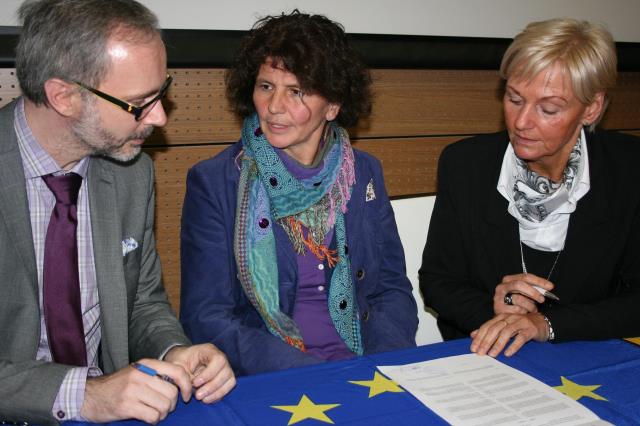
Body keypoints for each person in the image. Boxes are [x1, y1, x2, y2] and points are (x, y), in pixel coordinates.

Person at [0, 0, 235, 424]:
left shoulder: (131, 174)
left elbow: (142, 303)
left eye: (161, 94)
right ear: (64, 96)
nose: (160, 117)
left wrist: (174, 350)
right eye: (139, 103)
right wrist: (86, 396)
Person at [180, 11, 418, 376]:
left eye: (297, 92)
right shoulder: (215, 182)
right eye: (265, 87)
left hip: (366, 366)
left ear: (334, 105)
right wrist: (307, 374)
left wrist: (385, 366)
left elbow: (390, 289)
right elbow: (206, 317)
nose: (275, 107)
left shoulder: (364, 172)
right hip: (275, 377)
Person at [419, 18, 640, 358]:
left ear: (592, 108)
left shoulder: (629, 168)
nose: (522, 122)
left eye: (548, 108)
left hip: (595, 356)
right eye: (514, 98)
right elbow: (438, 280)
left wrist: (546, 325)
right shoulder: (465, 164)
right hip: (489, 358)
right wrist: (494, 311)